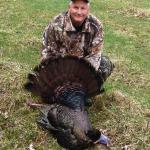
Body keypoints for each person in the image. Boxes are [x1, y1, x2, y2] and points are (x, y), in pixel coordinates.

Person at [41, 0, 114, 83]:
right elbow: (48, 53)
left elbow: (94, 56)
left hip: (82, 68)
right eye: (76, 7)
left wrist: (80, 76)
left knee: (105, 64)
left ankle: (84, 90)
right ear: (69, 8)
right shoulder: (56, 24)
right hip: (61, 68)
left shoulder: (96, 26)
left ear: (88, 10)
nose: (79, 12)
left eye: (83, 8)